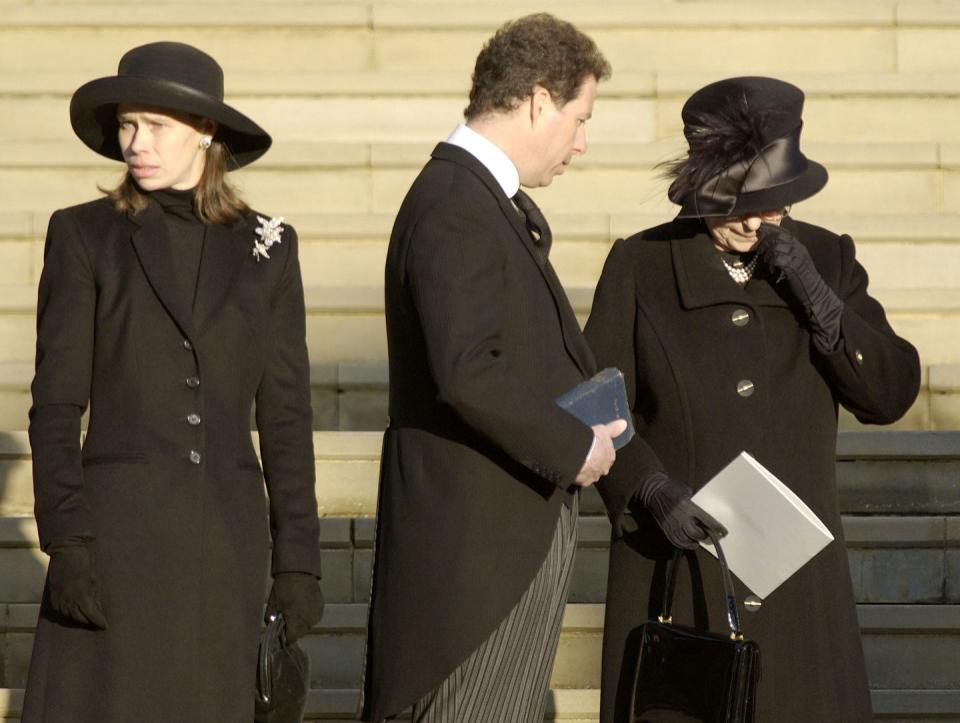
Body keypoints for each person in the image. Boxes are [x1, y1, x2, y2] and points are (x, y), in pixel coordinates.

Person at [584, 76, 921, 723]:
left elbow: (890, 392)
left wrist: (816, 294)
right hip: (679, 573)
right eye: (733, 199)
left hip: (799, 588)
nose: (750, 218)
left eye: (768, 200)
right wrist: (648, 486)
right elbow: (595, 398)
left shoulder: (825, 256)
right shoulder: (641, 263)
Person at [23, 42, 324, 722]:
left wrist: (300, 562)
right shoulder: (83, 236)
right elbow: (55, 405)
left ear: (206, 131)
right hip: (117, 541)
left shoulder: (269, 248)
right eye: (127, 126)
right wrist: (67, 540)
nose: (136, 143)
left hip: (225, 546)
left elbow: (285, 416)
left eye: (154, 126)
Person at [359, 14, 617, 723]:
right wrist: (576, 445)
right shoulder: (456, 205)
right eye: (578, 117)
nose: (582, 141)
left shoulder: (472, 199)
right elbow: (468, 369)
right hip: (477, 564)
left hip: (495, 546)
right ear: (538, 100)